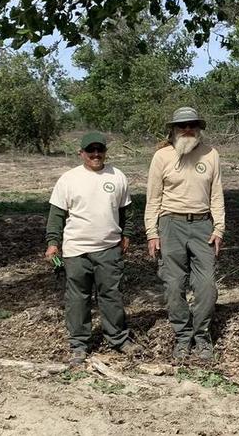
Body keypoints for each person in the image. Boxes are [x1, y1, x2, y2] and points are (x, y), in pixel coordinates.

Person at [45, 132, 142, 366]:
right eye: (91, 150)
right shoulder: (68, 179)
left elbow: (127, 212)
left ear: (105, 152)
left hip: (108, 248)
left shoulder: (117, 176)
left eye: (100, 150)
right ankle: (79, 344)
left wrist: (127, 235)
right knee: (78, 298)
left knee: (111, 295)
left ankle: (118, 339)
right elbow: (56, 215)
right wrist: (52, 243)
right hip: (76, 250)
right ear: (81, 153)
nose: (96, 154)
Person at [145, 107, 225, 361]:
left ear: (199, 128)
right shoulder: (162, 156)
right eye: (182, 126)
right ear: (173, 130)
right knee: (173, 285)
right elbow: (153, 198)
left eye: (192, 125)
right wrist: (152, 233)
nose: (188, 130)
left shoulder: (211, 154)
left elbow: (216, 195)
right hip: (170, 224)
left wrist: (219, 228)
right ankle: (182, 336)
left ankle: (202, 337)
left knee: (206, 286)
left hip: (202, 225)